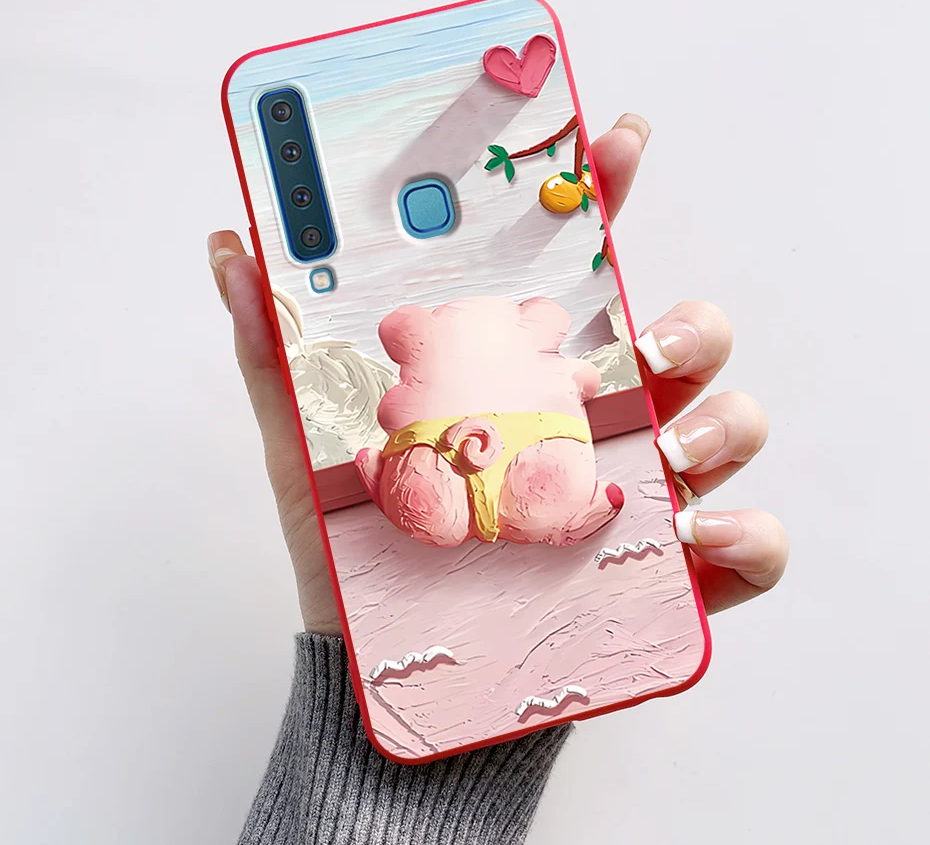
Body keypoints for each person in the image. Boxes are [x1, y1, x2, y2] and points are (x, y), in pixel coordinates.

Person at [207, 113, 788, 845]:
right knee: (549, 487)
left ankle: (485, 499)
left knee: (431, 498)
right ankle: (568, 514)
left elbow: (507, 388)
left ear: (411, 338)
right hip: (522, 452)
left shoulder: (428, 352)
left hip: (435, 462)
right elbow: (577, 379)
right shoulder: (537, 338)